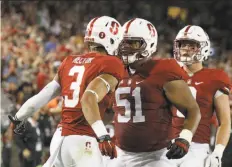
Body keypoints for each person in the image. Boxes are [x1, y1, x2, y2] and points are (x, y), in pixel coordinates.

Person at [8, 16, 125, 167]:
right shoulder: (112, 63)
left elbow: (44, 95)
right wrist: (103, 136)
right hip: (83, 140)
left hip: (59, 139)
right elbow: (88, 99)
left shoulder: (69, 61)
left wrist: (18, 117)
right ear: (111, 39)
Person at [109, 18, 201, 167]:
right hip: (120, 154)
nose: (125, 47)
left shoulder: (163, 69)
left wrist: (184, 138)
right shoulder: (116, 70)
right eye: (122, 42)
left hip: (154, 156)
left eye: (132, 43)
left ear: (149, 43)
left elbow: (193, 110)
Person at [165, 25, 231, 167]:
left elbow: (224, 121)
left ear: (203, 48)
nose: (186, 49)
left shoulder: (215, 77)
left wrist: (218, 151)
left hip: (197, 148)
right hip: (167, 144)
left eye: (192, 45)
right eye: (183, 45)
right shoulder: (168, 75)